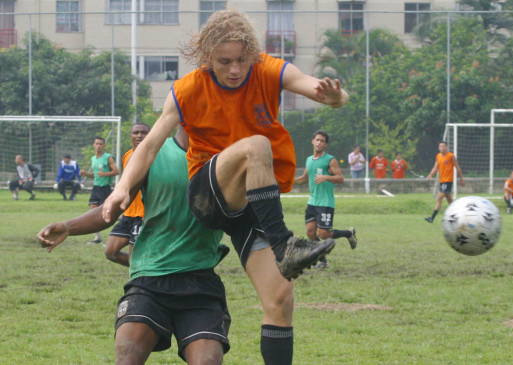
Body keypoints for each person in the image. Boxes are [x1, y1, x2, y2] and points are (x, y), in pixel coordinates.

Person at [102, 8, 348, 365]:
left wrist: (336, 98)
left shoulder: (268, 70)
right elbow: (150, 145)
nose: (235, 70)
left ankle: (282, 250)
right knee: (256, 145)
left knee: (280, 298)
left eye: (241, 60)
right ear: (206, 58)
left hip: (250, 206)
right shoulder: (186, 90)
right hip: (208, 194)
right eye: (224, 62)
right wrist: (122, 187)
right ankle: (284, 245)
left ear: (252, 54)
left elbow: (317, 88)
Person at [37, 129, 231, 365]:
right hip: (150, 280)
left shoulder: (227, 157)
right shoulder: (151, 153)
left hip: (200, 283)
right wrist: (68, 227)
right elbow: (113, 207)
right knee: (127, 359)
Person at [294, 130, 357, 269]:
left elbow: (340, 178)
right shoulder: (309, 160)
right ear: (312, 141)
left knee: (323, 234)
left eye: (322, 141)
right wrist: (289, 182)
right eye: (317, 140)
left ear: (325, 144)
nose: (319, 142)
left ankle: (348, 233)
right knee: (310, 232)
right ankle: (323, 261)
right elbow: (305, 178)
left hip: (325, 203)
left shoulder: (330, 160)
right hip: (312, 202)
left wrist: (326, 177)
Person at [104, 123, 150, 266]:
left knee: (134, 258)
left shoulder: (155, 156)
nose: (139, 135)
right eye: (136, 132)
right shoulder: (127, 155)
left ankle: (145, 278)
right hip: (128, 213)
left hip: (143, 214)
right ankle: (150, 266)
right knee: (111, 252)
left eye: (143, 132)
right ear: (131, 135)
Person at [80, 136, 119, 244]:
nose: (98, 146)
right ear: (94, 145)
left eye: (101, 144)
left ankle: (126, 219)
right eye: (97, 144)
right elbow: (96, 174)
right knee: (92, 211)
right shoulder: (93, 159)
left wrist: (105, 174)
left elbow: (116, 171)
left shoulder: (108, 157)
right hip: (96, 188)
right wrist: (86, 174)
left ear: (104, 146)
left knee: (110, 212)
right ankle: (97, 238)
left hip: (105, 188)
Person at [425, 141, 465, 223]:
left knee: (439, 197)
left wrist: (461, 179)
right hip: (442, 181)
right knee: (449, 200)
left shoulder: (451, 156)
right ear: (439, 148)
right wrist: (430, 175)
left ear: (446, 147)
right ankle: (458, 215)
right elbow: (435, 167)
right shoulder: (438, 156)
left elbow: (458, 168)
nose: (442, 148)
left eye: (443, 146)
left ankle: (432, 218)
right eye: (440, 146)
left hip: (448, 181)